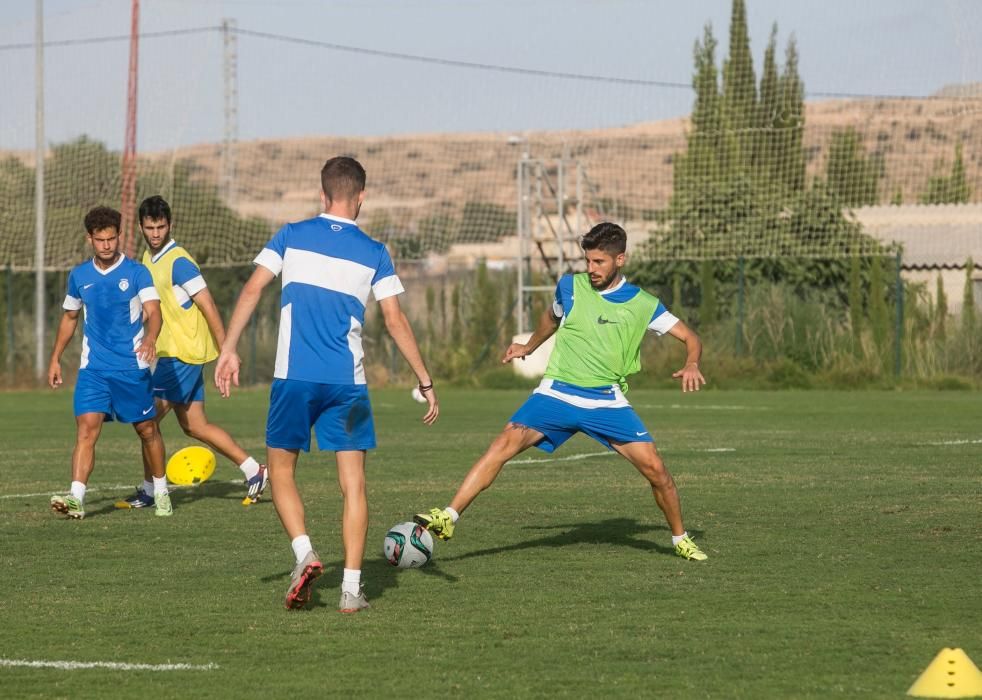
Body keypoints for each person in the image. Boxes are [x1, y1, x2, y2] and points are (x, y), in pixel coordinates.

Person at [215, 156, 439, 613]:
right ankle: (352, 590)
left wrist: (229, 348)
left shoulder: (291, 235)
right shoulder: (375, 252)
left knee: (280, 470)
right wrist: (424, 377)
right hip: (347, 387)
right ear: (361, 197)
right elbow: (395, 320)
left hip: (293, 379)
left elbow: (253, 289)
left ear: (322, 195)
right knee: (353, 484)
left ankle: (304, 554)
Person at [415, 222, 709, 561]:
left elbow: (691, 337)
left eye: (599, 262)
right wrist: (528, 345)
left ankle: (680, 539)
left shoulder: (643, 303)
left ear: (621, 259)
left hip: (606, 402)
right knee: (501, 445)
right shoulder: (569, 286)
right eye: (588, 261)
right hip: (556, 393)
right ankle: (448, 517)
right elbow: (551, 319)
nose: (591, 269)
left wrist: (692, 362)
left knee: (657, 471)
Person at [114, 195, 268, 510]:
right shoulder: (147, 258)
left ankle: (149, 489)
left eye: (160, 227)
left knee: (146, 417)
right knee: (194, 425)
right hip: (171, 354)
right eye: (149, 227)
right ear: (141, 227)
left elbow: (208, 305)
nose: (155, 233)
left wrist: (227, 348)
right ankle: (255, 470)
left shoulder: (179, 261)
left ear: (169, 225)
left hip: (183, 354)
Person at [47, 206, 172, 519]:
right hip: (94, 370)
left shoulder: (136, 273)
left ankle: (160, 490)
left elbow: (154, 312)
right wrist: (55, 358)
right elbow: (70, 317)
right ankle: (76, 498)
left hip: (131, 368)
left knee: (147, 430)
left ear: (119, 236)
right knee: (86, 431)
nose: (107, 245)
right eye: (101, 239)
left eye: (112, 239)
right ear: (90, 238)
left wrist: (150, 338)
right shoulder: (79, 276)